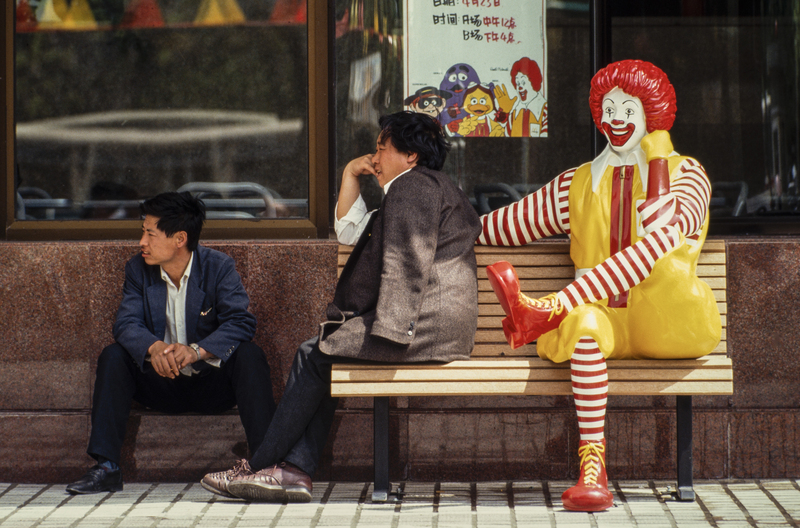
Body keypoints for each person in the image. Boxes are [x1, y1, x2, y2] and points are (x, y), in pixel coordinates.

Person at [201, 111, 482, 502]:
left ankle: (260, 465)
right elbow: (354, 233)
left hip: (420, 326)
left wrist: (391, 332)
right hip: (431, 323)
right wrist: (351, 172)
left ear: (411, 156)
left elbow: (407, 262)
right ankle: (292, 472)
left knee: (315, 352)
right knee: (323, 353)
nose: (376, 158)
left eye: (382, 149)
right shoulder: (426, 186)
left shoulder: (412, 188)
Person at [478, 60, 721, 512]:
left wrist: (658, 152)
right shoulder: (578, 183)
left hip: (672, 320)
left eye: (629, 108)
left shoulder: (688, 173)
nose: (615, 118)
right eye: (608, 107)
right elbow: (506, 225)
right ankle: (594, 466)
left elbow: (667, 220)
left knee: (663, 246)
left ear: (652, 116)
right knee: (585, 326)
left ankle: (550, 307)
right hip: (607, 319)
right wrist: (422, 223)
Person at [66, 191, 276, 494]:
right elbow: (126, 323)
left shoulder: (218, 267)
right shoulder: (138, 269)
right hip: (159, 383)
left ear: (180, 238)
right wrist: (154, 350)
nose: (142, 242)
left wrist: (194, 352)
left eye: (150, 234)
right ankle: (107, 467)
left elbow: (241, 323)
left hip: (211, 383)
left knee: (249, 355)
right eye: (143, 232)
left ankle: (265, 466)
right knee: (113, 357)